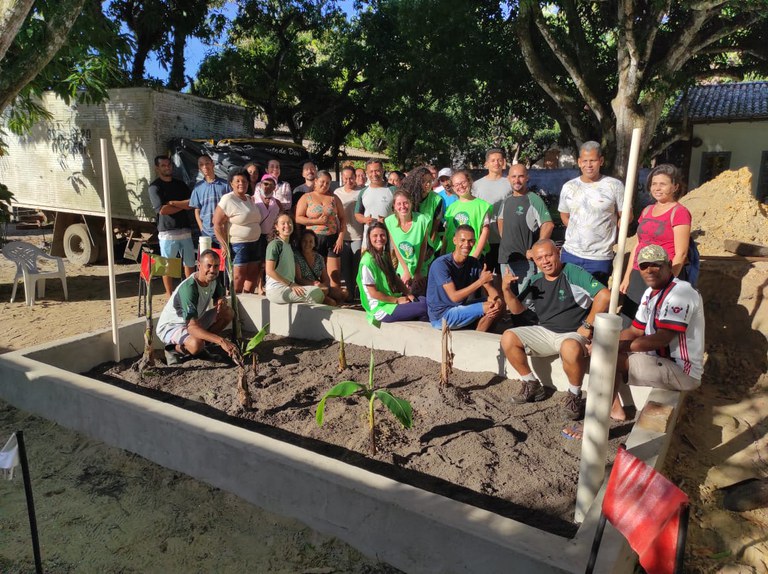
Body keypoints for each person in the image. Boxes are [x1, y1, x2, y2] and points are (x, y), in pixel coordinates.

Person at [500, 239, 610, 421]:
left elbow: (604, 295)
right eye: (539, 258)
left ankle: (574, 395)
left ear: (558, 253)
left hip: (573, 333)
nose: (545, 261)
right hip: (545, 330)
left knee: (569, 347)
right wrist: (506, 289)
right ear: (534, 261)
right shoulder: (535, 280)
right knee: (508, 337)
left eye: (548, 255)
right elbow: (517, 309)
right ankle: (531, 383)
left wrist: (587, 325)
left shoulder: (572, 273)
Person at [610, 245, 704, 422]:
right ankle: (610, 410)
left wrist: (614, 347)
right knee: (605, 353)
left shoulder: (681, 292)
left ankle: (599, 419)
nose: (649, 270)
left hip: (682, 370)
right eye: (644, 266)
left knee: (608, 359)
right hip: (660, 361)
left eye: (656, 265)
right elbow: (635, 330)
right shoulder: (649, 293)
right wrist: (607, 342)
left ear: (669, 265)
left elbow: (662, 338)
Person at [620, 164, 691, 323]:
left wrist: (667, 283)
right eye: (654, 184)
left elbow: (681, 253)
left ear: (675, 187)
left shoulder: (680, 212)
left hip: (662, 274)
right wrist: (627, 277)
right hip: (640, 273)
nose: (657, 188)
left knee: (654, 322)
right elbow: (638, 246)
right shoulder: (647, 210)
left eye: (663, 184)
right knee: (629, 320)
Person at [558, 141, 627, 285]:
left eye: (593, 160)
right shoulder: (569, 187)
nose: (588, 165)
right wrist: (580, 230)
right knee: (569, 294)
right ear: (579, 162)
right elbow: (564, 215)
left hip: (600, 257)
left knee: (597, 296)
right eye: (585, 161)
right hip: (571, 254)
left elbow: (626, 216)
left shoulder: (614, 185)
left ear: (601, 161)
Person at [156, 249, 238, 365]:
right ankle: (173, 349)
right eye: (208, 266)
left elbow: (219, 296)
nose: (212, 270)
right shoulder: (190, 288)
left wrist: (221, 300)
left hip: (194, 321)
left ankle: (202, 349)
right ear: (199, 265)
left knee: (227, 312)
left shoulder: (213, 279)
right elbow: (192, 327)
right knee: (196, 344)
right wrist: (221, 341)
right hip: (172, 326)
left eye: (216, 266)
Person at [426, 224, 503, 332]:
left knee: (496, 304)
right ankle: (477, 339)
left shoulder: (474, 263)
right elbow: (454, 297)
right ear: (454, 241)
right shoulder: (441, 264)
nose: (466, 244)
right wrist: (480, 281)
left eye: (470, 241)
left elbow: (489, 288)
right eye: (462, 240)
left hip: (460, 307)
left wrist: (498, 301)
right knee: (489, 306)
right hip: (441, 316)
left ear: (474, 242)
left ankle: (480, 333)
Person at [357, 222, 429, 325]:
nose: (379, 238)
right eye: (375, 236)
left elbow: (395, 278)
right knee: (423, 307)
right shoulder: (367, 262)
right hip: (381, 308)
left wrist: (409, 294)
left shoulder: (384, 255)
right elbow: (374, 293)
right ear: (369, 238)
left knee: (423, 300)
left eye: (382, 235)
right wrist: (397, 300)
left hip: (390, 300)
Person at [497, 164, 554, 293]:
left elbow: (548, 224)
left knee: (526, 298)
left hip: (525, 262)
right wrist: (505, 239)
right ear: (508, 178)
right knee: (509, 297)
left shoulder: (533, 199)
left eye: (521, 176)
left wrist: (535, 249)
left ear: (527, 178)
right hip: (505, 260)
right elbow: (500, 220)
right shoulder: (507, 201)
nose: (517, 180)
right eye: (513, 177)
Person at [147, 155, 195, 298]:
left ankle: (189, 292)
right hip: (167, 232)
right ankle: (169, 295)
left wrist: (173, 203)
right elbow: (162, 210)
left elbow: (191, 203)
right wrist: (181, 205)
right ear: (157, 168)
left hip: (185, 230)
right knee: (167, 266)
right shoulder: (154, 187)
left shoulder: (180, 184)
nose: (167, 167)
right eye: (163, 165)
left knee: (189, 263)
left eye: (169, 165)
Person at [294, 170, 346, 296]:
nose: (325, 185)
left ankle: (335, 298)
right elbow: (298, 218)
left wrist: (340, 237)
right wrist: (316, 221)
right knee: (317, 274)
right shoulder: (306, 197)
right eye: (322, 182)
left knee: (334, 275)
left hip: (332, 238)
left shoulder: (334, 198)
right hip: (313, 240)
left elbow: (343, 218)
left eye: (328, 183)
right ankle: (321, 298)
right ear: (316, 181)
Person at [213, 168, 263, 293]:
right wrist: (223, 245)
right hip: (239, 244)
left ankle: (247, 300)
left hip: (255, 242)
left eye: (244, 181)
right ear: (231, 183)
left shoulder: (249, 199)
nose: (241, 184)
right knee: (238, 276)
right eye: (238, 181)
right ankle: (234, 302)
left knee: (253, 275)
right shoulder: (227, 199)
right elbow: (217, 224)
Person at [265, 213, 325, 304]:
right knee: (316, 293)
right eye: (283, 223)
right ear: (276, 227)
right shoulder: (275, 244)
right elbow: (269, 271)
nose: (287, 226)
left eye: (289, 223)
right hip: (276, 290)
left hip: (288, 287)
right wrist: (291, 284)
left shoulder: (290, 246)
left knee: (319, 292)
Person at [473, 149, 512, 274]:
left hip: (503, 238)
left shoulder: (510, 183)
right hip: (483, 239)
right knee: (484, 274)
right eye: (493, 160)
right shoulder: (476, 185)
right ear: (486, 164)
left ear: (504, 162)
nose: (496, 163)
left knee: (504, 275)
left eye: (499, 160)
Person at [384, 190, 430, 294]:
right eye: (399, 204)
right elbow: (396, 248)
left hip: (420, 265)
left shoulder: (422, 220)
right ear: (394, 206)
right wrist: (406, 271)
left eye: (405, 203)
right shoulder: (389, 221)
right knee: (405, 295)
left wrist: (417, 272)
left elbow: (423, 248)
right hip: (403, 266)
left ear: (411, 203)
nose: (403, 206)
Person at [443, 170, 492, 260]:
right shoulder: (451, 208)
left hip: (472, 255)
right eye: (457, 185)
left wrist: (475, 256)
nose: (461, 186)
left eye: (463, 182)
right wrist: (442, 253)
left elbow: (485, 231)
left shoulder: (482, 206)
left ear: (469, 182)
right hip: (452, 256)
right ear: (453, 187)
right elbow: (447, 233)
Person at [400, 167, 444, 263]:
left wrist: (429, 249)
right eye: (424, 181)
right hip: (410, 244)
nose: (428, 184)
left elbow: (434, 229)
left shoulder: (437, 199)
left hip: (429, 246)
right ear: (416, 182)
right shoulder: (408, 198)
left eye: (430, 181)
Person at [334, 166, 364, 300]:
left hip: (359, 235)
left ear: (355, 177)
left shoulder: (362, 192)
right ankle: (349, 294)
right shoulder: (337, 192)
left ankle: (357, 293)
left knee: (357, 267)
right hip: (343, 235)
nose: (348, 181)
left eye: (351, 178)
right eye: (345, 178)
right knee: (345, 268)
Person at [294, 229, 345, 306]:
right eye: (304, 241)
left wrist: (324, 286)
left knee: (344, 293)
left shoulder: (318, 257)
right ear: (300, 242)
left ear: (314, 243)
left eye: (311, 241)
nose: (307, 244)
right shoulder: (296, 257)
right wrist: (315, 285)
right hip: (306, 288)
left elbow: (326, 278)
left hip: (319, 286)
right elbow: (298, 279)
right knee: (331, 302)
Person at [190, 154, 229, 249]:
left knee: (224, 256)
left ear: (213, 164)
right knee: (207, 257)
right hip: (206, 232)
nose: (205, 166)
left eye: (207, 163)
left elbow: (231, 206)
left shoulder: (225, 185)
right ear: (199, 168)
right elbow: (197, 210)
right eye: (201, 164)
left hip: (223, 230)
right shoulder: (198, 188)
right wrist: (201, 228)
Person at [253, 174, 282, 295]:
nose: (267, 187)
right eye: (265, 184)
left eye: (271, 185)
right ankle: (259, 286)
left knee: (269, 261)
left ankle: (269, 285)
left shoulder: (277, 203)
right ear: (260, 185)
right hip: (256, 236)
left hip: (270, 236)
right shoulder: (253, 200)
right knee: (258, 262)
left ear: (275, 187)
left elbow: (280, 218)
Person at [355, 159, 395, 248]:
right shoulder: (363, 192)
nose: (374, 174)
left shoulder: (393, 190)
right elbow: (357, 214)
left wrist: (388, 221)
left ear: (383, 171)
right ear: (367, 173)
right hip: (369, 242)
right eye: (371, 171)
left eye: (377, 171)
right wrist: (365, 220)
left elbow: (401, 213)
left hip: (390, 240)